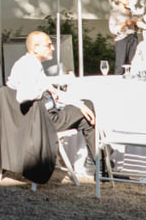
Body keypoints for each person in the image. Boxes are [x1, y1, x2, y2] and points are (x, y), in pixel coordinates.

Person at [6, 30, 97, 159]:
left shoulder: (29, 63)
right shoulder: (28, 66)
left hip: (37, 117)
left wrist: (79, 104)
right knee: (88, 106)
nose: (53, 48)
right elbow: (23, 96)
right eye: (48, 45)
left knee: (85, 110)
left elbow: (52, 91)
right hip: (41, 121)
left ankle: (96, 161)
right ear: (36, 48)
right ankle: (99, 162)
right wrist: (43, 91)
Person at [107, 0, 139, 74]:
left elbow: (136, 26)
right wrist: (124, 24)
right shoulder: (115, 12)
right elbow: (112, 29)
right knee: (120, 65)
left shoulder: (130, 11)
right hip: (122, 39)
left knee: (134, 63)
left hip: (133, 37)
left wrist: (136, 24)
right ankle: (118, 84)